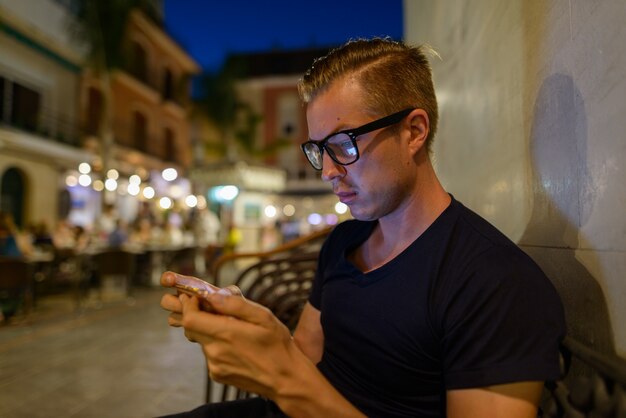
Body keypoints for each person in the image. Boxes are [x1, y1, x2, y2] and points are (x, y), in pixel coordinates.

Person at [159, 38, 565, 418]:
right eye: (320, 150)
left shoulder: (494, 282)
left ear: (414, 131)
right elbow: (305, 358)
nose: (329, 171)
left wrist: (283, 380)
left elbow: (294, 379)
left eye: (344, 143)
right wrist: (254, 328)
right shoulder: (344, 241)